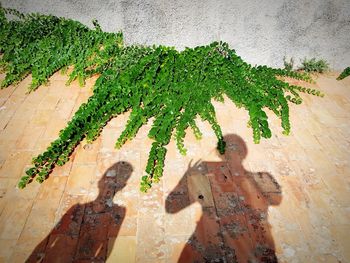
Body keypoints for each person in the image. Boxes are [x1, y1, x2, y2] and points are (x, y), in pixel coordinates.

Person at [166, 134, 282, 263]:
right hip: (218, 244)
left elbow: (276, 199)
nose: (231, 154)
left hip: (245, 246)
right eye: (229, 148)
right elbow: (172, 207)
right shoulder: (209, 175)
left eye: (234, 148)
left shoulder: (260, 177)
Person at [27, 161, 133, 262]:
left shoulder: (119, 212)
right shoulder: (76, 208)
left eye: (112, 184)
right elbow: (46, 242)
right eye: (106, 181)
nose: (107, 188)